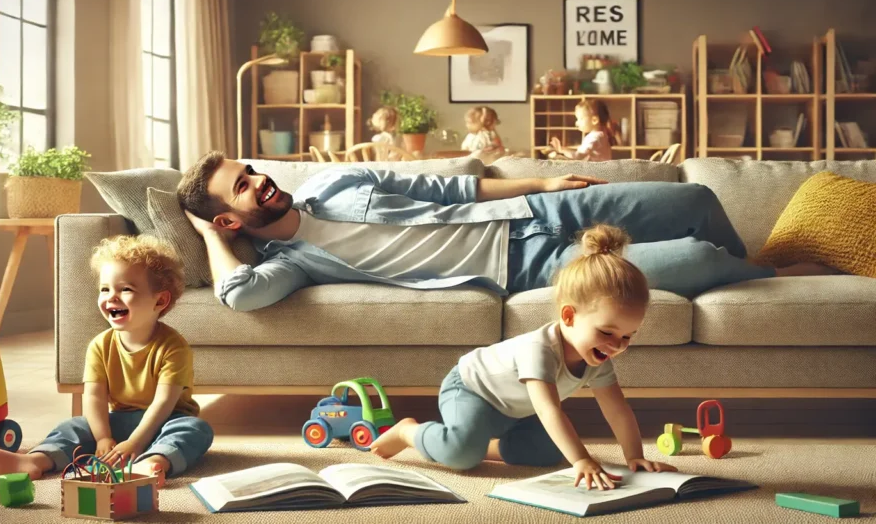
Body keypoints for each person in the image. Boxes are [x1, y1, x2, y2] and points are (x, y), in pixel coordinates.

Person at [176, 151, 833, 313]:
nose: (260, 179)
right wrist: (209, 234)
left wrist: (541, 185)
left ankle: (759, 259)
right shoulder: (295, 261)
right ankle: (774, 277)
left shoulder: (339, 183)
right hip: (529, 269)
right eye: (242, 186)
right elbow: (241, 296)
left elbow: (453, 188)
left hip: (537, 217)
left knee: (695, 196)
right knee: (694, 256)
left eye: (253, 169)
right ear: (229, 218)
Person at [369, 224, 676, 489]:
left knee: (546, 453)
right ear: (569, 316)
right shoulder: (540, 349)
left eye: (627, 336)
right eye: (607, 333)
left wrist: (634, 456)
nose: (616, 345)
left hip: (515, 412)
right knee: (461, 455)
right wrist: (582, 459)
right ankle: (409, 431)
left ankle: (483, 445)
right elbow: (549, 410)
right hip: (472, 389)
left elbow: (617, 410)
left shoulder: (598, 359)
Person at [0, 235, 213, 486]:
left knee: (196, 429)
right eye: (105, 289)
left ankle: (154, 461)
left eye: (126, 289)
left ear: (160, 300)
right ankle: (36, 460)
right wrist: (103, 438)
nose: (111, 297)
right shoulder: (99, 346)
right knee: (75, 426)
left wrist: (135, 444)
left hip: (166, 421)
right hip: (120, 420)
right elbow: (94, 397)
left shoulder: (174, 347)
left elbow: (163, 404)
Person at [549, 98, 619, 162]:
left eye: (580, 119)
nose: (576, 123)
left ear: (594, 120)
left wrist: (561, 149)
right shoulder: (602, 135)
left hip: (593, 173)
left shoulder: (594, 138)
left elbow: (578, 156)